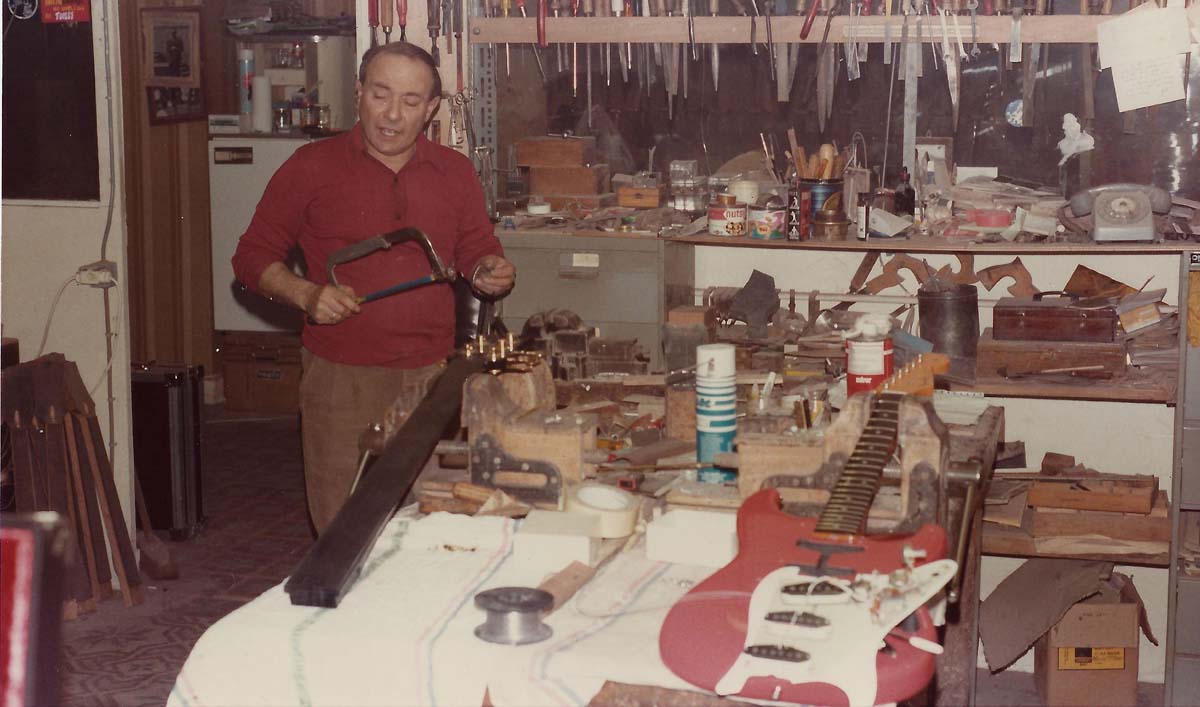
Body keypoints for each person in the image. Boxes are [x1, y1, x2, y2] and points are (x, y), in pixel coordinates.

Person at [232, 42, 515, 535]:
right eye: (381, 94)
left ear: (430, 108)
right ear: (359, 92)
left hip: (432, 377)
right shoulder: (310, 166)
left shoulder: (455, 171)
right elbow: (251, 258)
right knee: (343, 526)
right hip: (341, 379)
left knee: (431, 525)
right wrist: (307, 295)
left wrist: (488, 269)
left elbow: (476, 248)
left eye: (410, 100)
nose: (392, 114)